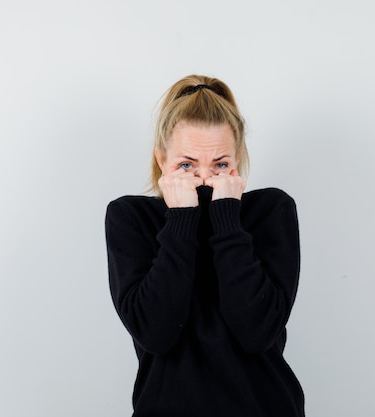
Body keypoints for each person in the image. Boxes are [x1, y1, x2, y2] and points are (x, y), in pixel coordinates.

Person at [105, 75, 305, 416]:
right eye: (186, 165)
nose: (204, 180)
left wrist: (226, 218)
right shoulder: (131, 218)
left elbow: (257, 333)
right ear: (161, 160)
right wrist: (182, 219)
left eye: (220, 165)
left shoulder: (271, 211)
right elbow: (156, 332)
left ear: (237, 159)